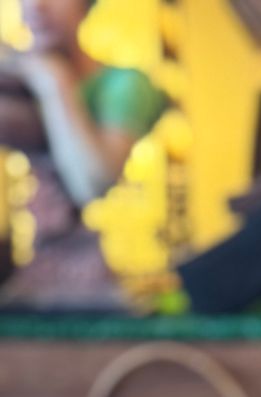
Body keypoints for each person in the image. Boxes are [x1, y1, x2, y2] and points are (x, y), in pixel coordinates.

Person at [0, 0, 164, 306]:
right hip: (24, 281)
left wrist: (55, 81)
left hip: (105, 280)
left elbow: (91, 184)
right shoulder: (14, 81)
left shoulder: (124, 85)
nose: (36, 6)